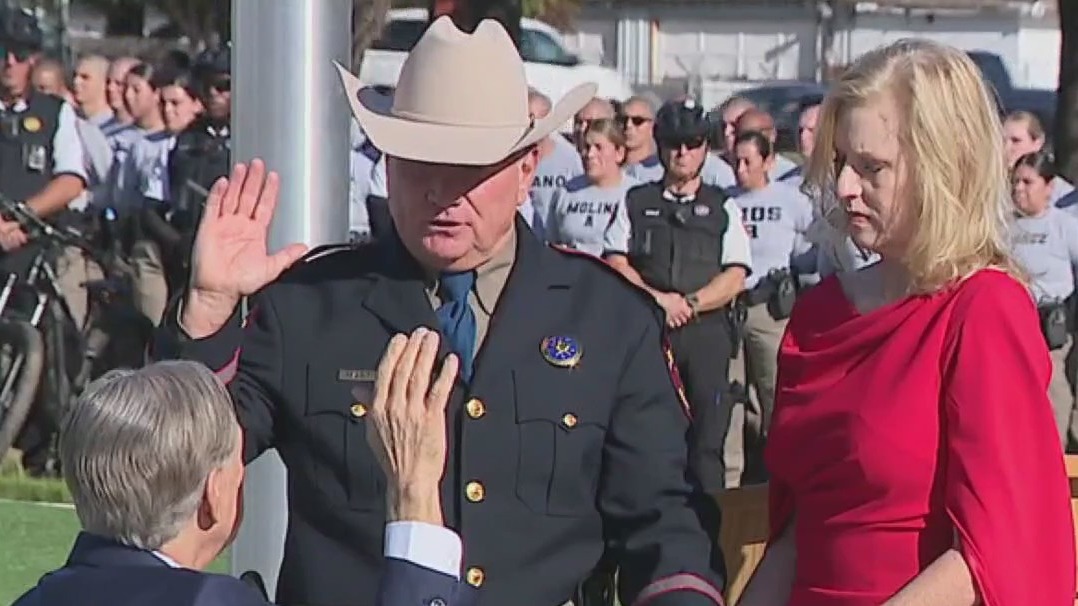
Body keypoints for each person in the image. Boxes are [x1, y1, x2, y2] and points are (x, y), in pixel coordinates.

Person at [151, 17, 726, 606]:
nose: (443, 192)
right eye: (420, 162)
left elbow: (664, 519)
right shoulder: (312, 302)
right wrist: (207, 313)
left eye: (473, 169)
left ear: (527, 170)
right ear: (387, 164)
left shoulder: (606, 318)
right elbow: (176, 471)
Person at [738, 39, 1076, 606]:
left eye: (871, 168)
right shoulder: (820, 314)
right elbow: (799, 532)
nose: (844, 187)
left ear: (944, 166)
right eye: (841, 162)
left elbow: (993, 554)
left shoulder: (982, 311)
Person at [12, 359, 474, 606]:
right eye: (238, 464)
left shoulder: (37, 598)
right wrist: (415, 501)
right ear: (214, 495)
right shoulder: (211, 601)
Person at [604, 98, 752, 494]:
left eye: (692, 143)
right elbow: (616, 262)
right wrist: (658, 301)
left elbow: (735, 274)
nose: (682, 153)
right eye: (673, 144)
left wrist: (691, 304)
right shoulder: (635, 201)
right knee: (648, 439)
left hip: (706, 333)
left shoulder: (724, 206)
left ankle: (708, 539)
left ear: (705, 147)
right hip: (650, 332)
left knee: (706, 444)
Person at [723, 130, 814, 488]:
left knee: (775, 396)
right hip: (732, 307)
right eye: (736, 161)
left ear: (768, 162)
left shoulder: (790, 200)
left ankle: (778, 482)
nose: (741, 169)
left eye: (749, 161)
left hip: (770, 309)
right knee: (732, 399)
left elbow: (812, 249)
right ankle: (731, 484)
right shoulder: (726, 201)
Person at [1008, 150, 1078, 447]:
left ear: (1049, 187)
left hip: (1050, 325)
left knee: (1053, 389)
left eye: (1027, 182)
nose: (1019, 190)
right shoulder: (1004, 226)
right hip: (1012, 323)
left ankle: (1058, 453)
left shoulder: (1063, 226)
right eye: (1015, 182)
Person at [545, 118, 640, 256]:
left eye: (598, 147)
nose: (590, 154)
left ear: (619, 152)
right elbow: (552, 242)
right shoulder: (566, 192)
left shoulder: (635, 193)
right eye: (587, 147)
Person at [1003, 110, 1074, 204]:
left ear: (1038, 143)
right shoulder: (992, 182)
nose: (1006, 148)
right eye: (1002, 141)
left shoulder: (1062, 194)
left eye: (1016, 141)